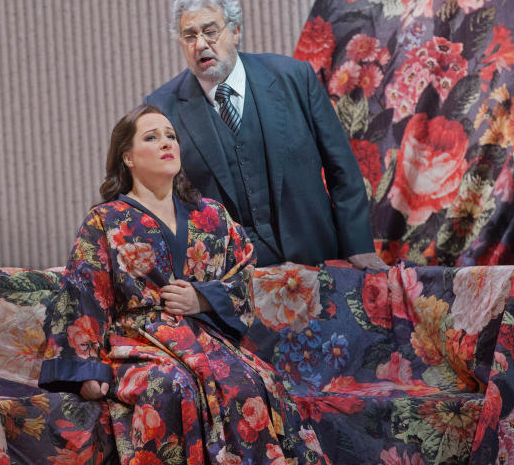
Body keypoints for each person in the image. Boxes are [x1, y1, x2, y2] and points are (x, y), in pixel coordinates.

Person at [39, 104, 325, 464]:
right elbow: (82, 295)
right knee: (173, 387)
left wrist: (203, 299)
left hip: (205, 339)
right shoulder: (105, 220)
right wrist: (86, 371)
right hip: (139, 341)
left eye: (171, 136)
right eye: (152, 137)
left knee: (254, 382)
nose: (166, 143)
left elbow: (244, 275)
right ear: (127, 156)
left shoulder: (211, 214)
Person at [146, 0, 384, 269]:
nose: (200, 44)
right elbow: (159, 199)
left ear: (235, 32)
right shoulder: (163, 108)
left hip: (316, 260)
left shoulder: (294, 78)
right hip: (230, 281)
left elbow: (341, 168)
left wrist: (357, 245)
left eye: (210, 31)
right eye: (189, 36)